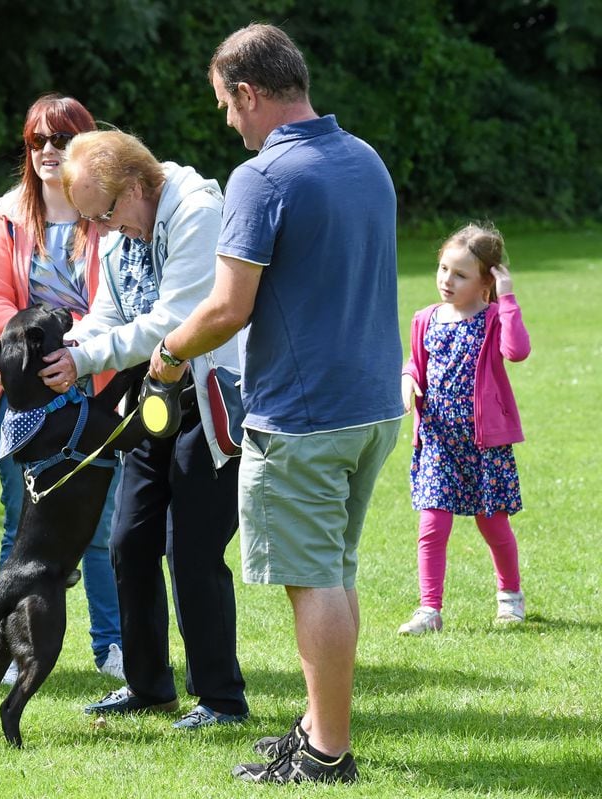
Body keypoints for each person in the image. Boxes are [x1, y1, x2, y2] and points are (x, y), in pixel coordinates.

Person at [149, 24, 403, 783]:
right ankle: (320, 727)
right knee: (336, 569)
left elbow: (228, 307)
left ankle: (326, 754)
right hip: (372, 406)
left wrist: (168, 353)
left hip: (304, 414)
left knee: (313, 578)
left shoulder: (263, 177)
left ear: (251, 94)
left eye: (227, 104)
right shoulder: (365, 159)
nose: (228, 120)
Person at [40, 130, 249, 730]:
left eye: (104, 214)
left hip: (208, 403)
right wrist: (73, 342)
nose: (101, 230)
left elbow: (176, 318)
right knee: (128, 541)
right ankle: (148, 687)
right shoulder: (118, 230)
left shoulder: (198, 213)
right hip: (152, 400)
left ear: (135, 186)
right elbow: (113, 310)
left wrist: (84, 361)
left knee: (193, 553)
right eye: (90, 219)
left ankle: (220, 699)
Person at [0, 94, 124, 684]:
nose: (49, 152)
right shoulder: (6, 217)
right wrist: (37, 360)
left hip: (95, 385)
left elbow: (117, 304)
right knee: (21, 521)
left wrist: (77, 355)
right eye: (38, 141)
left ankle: (111, 646)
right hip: (19, 393)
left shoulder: (106, 217)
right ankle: (13, 650)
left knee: (99, 526)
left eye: (61, 139)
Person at [398, 223, 530, 635]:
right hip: (438, 441)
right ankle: (429, 610)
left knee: (494, 526)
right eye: (442, 269)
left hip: (483, 444)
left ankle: (510, 597)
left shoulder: (493, 318)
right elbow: (414, 363)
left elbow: (517, 351)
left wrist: (506, 297)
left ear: (485, 280)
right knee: (432, 526)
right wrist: (407, 379)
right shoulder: (425, 319)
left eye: (460, 274)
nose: (446, 281)